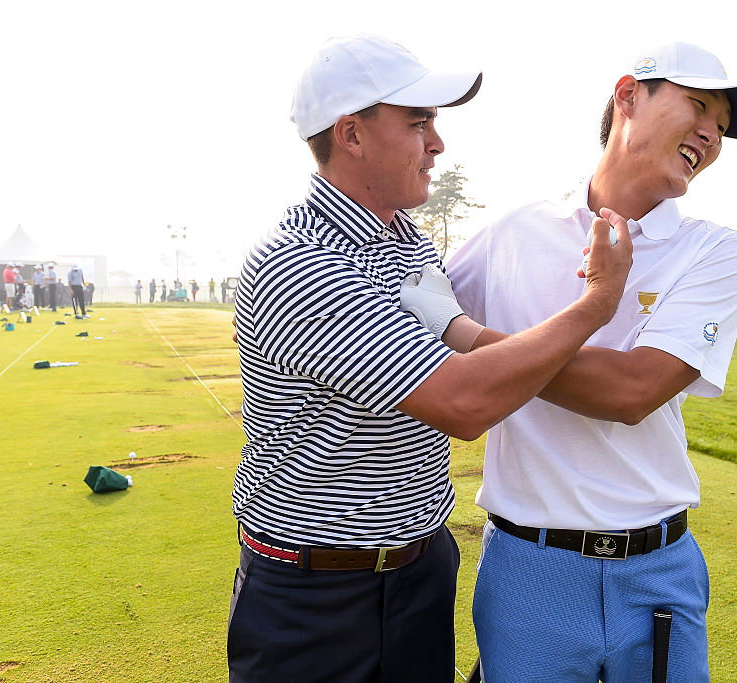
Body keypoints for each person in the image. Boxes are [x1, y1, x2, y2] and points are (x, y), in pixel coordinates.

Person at [227, 33, 633, 683]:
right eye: (418, 123)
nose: (437, 143)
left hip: (419, 575)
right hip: (312, 598)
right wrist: (596, 303)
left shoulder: (407, 242)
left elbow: (464, 341)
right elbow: (463, 401)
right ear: (352, 135)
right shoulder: (297, 263)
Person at [405, 40, 737, 682]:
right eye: (700, 107)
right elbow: (409, 309)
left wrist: (468, 336)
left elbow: (632, 392)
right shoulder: (512, 232)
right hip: (528, 566)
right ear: (629, 94)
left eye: (723, 126)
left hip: (660, 568)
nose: (713, 134)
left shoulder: (716, 252)